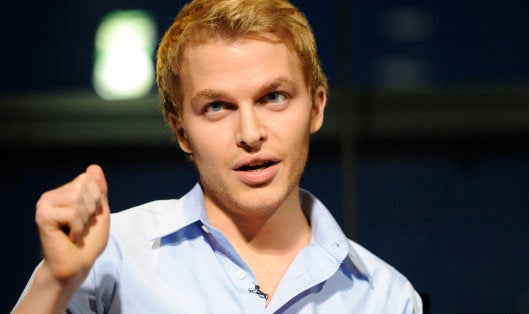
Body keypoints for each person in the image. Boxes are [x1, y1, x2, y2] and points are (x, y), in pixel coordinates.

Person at [13, 0, 423, 312]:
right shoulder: (113, 257)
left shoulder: (385, 296)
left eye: (273, 97)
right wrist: (55, 281)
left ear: (316, 108)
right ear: (181, 131)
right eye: (217, 107)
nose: (249, 134)